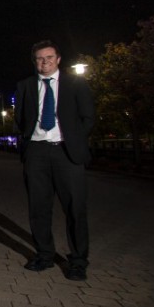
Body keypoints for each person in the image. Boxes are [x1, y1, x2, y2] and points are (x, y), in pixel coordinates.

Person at [15, 40, 95, 281]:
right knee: (39, 209)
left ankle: (78, 261)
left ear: (58, 59)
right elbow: (20, 119)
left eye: (49, 57)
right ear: (34, 61)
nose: (45, 62)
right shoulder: (26, 86)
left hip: (66, 153)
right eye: (40, 58)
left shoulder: (75, 83)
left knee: (75, 209)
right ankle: (44, 255)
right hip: (37, 153)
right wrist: (27, 145)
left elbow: (88, 117)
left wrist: (73, 140)